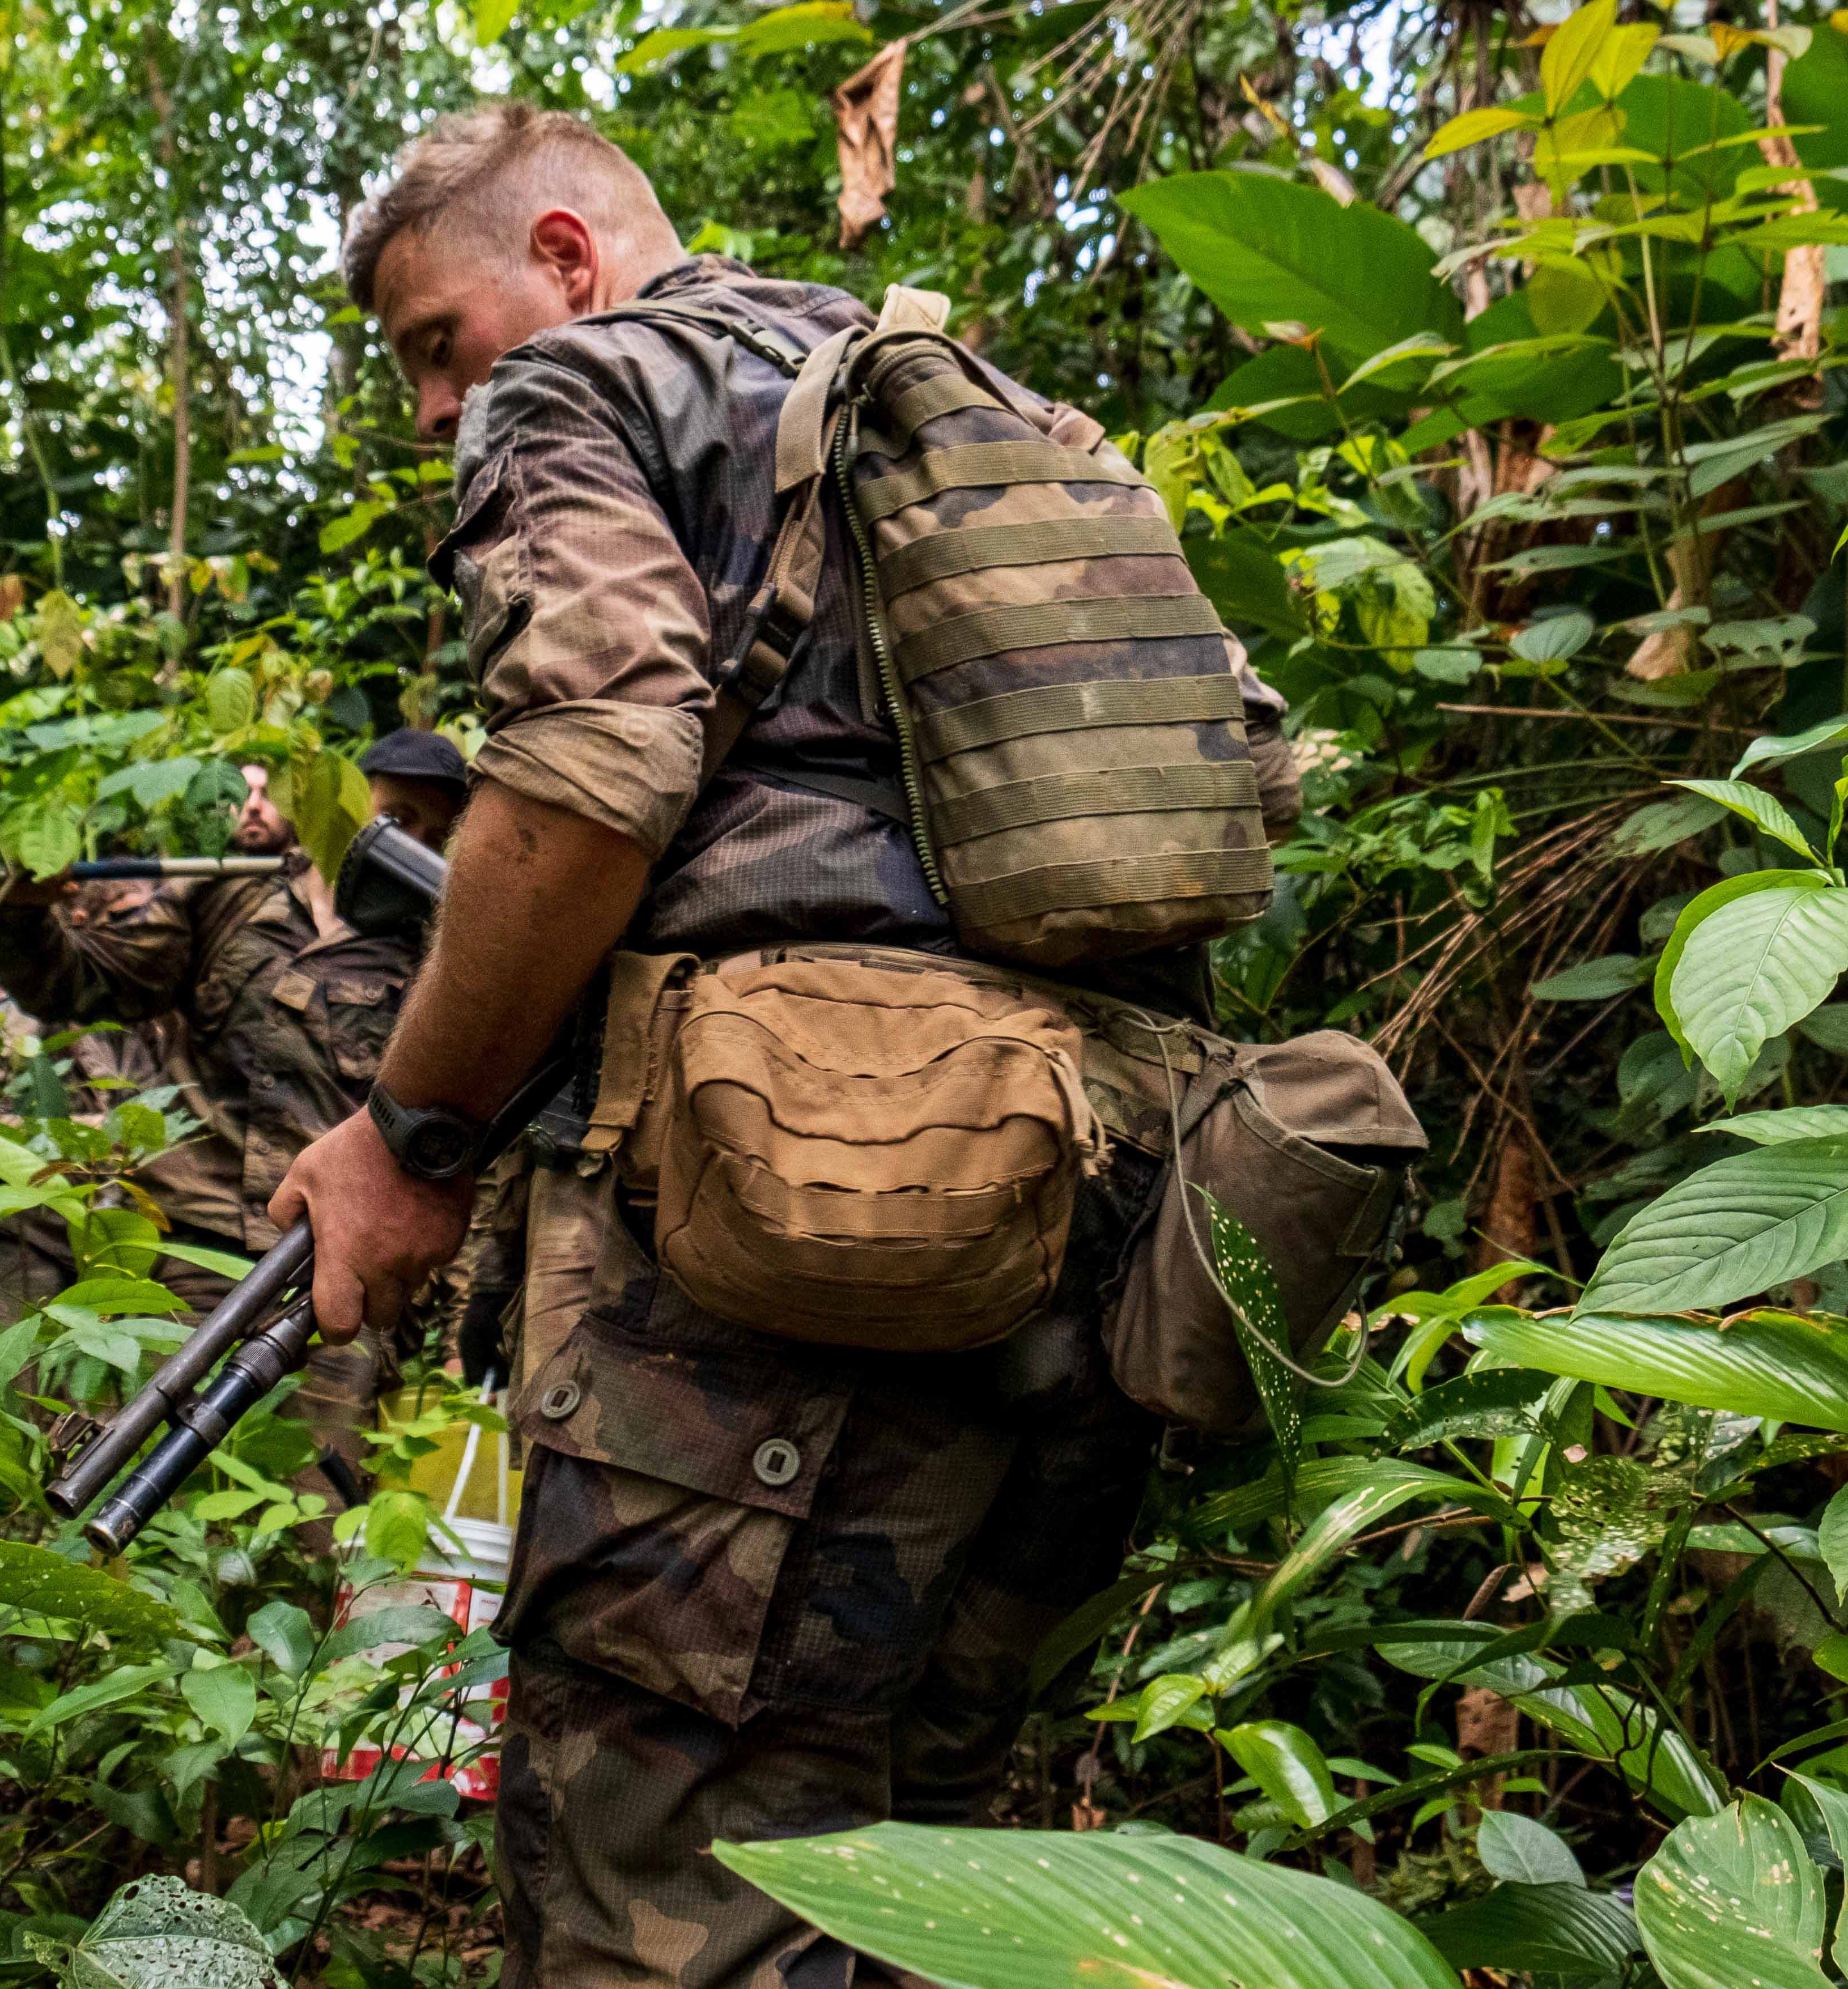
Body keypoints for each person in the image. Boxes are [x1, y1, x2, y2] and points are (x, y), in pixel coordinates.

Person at [271, 105, 1301, 1989]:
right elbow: (1236, 777)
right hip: (1091, 1240)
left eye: (437, 343)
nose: (434, 407)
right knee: (946, 1886)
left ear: (570, 260)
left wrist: (408, 1132)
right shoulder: (963, 399)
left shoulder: (585, 385)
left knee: (678, 1891)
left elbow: (591, 775)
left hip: (792, 1252)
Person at [0, 729, 479, 1515]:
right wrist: (25, 907)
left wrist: (453, 1327)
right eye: (395, 816)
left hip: (324, 1284)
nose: (409, 842)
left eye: (433, 828)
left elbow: (460, 1151)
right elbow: (83, 984)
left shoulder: (445, 960)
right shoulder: (232, 894)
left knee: (302, 1520)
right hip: (184, 1245)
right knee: (133, 1497)